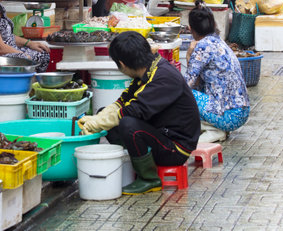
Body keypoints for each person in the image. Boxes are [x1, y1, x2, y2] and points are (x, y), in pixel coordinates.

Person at [78, 31, 201, 195]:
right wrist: (97, 118)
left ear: (122, 64)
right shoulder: (147, 70)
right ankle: (134, 161)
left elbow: (134, 110)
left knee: (128, 124)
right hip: (159, 132)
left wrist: (98, 123)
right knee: (107, 114)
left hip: (176, 148)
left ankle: (149, 179)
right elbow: (122, 102)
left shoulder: (163, 77)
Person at [184, 1, 249, 143]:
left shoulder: (202, 46)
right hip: (240, 112)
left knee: (181, 95)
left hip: (229, 116)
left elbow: (186, 85)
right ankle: (213, 127)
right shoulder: (218, 41)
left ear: (191, 29)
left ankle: (214, 129)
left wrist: (189, 56)